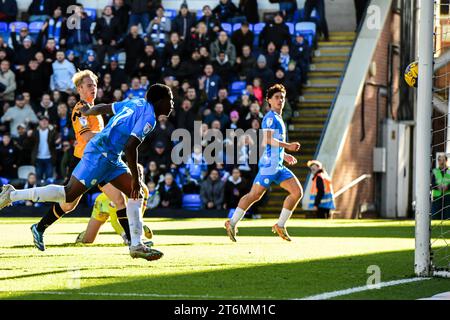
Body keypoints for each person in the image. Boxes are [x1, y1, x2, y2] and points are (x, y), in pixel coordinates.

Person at [0, 83, 174, 261]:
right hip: (100, 154)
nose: (172, 104)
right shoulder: (149, 118)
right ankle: (12, 195)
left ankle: (136, 244)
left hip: (111, 156)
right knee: (69, 195)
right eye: (170, 100)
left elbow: (105, 108)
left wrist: (89, 111)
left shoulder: (135, 102)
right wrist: (136, 178)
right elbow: (130, 146)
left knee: (135, 193)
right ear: (160, 101)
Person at [225, 84, 302, 242]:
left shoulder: (279, 118)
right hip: (269, 165)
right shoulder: (269, 117)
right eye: (277, 97)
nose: (280, 100)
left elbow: (273, 143)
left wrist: (285, 154)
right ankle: (231, 222)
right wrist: (288, 146)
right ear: (269, 100)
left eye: (282, 97)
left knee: (297, 192)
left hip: (278, 164)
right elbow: (267, 139)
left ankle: (280, 225)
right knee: (254, 195)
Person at [76, 165, 153, 245]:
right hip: (102, 205)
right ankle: (84, 235)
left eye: (140, 175)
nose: (138, 179)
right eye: (135, 175)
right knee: (88, 240)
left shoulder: (144, 190)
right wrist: (125, 237)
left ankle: (135, 241)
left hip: (118, 207)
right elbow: (114, 221)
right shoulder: (118, 192)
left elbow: (138, 215)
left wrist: (141, 226)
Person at [431, 154, 450, 220]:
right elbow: (431, 183)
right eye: (440, 160)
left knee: (448, 216)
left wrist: (447, 187)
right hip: (437, 196)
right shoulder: (434, 171)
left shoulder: (449, 171)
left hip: (448, 196)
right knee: (436, 216)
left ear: (446, 161)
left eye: (443, 160)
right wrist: (438, 187)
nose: (441, 162)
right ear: (438, 161)